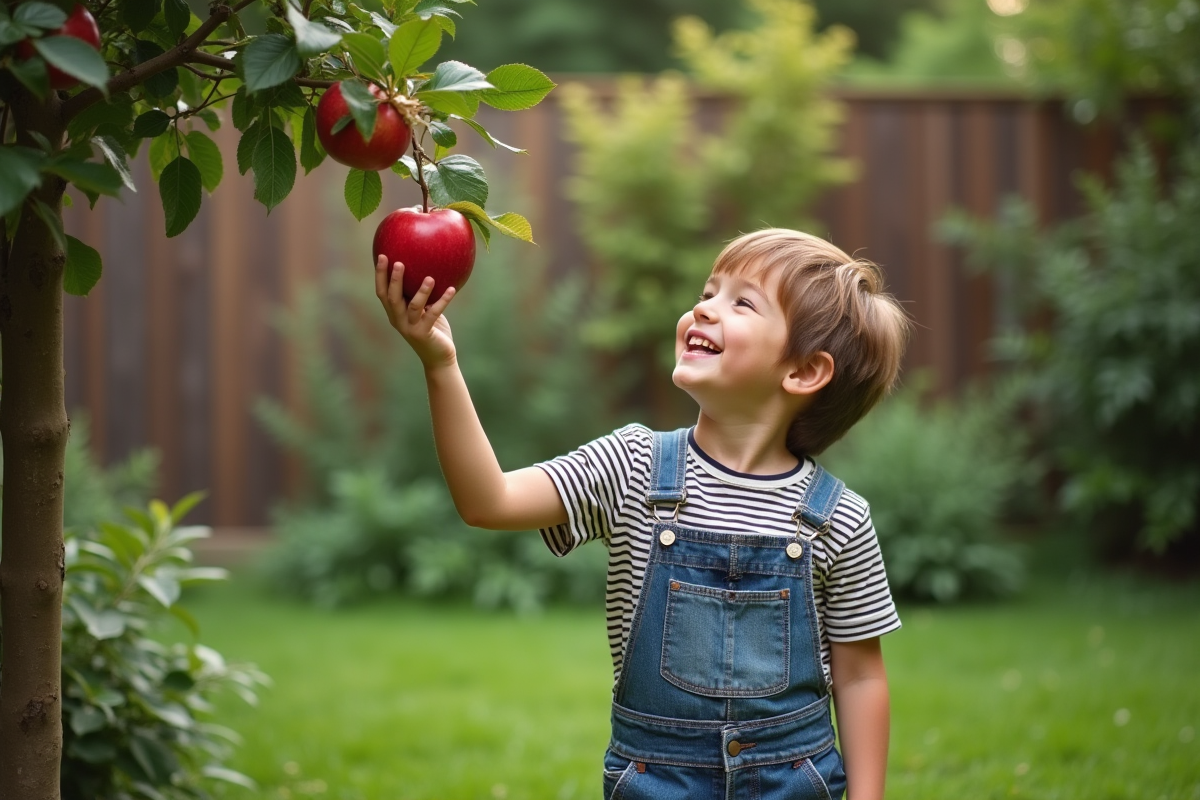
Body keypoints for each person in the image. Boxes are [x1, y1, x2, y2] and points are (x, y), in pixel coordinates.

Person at [374, 228, 911, 800]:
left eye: (741, 301)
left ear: (803, 372)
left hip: (796, 781)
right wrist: (440, 363)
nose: (704, 308)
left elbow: (859, 677)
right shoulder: (632, 465)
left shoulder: (839, 518)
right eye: (708, 291)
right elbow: (489, 501)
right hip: (658, 783)